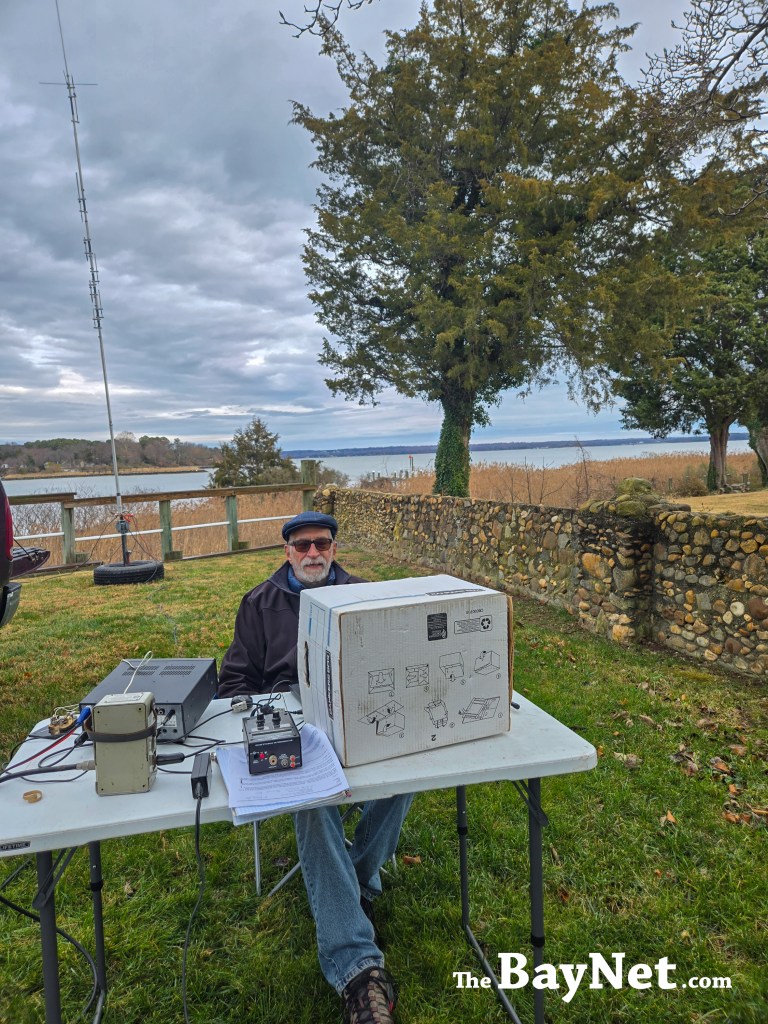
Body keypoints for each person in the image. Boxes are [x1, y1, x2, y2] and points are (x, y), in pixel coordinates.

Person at [218, 510, 412, 1024]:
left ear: (332, 547)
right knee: (313, 804)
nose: (312, 554)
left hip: (364, 720)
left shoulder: (362, 594)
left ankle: (352, 884)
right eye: (301, 545)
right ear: (286, 551)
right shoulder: (259, 604)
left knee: (413, 770)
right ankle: (357, 969)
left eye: (321, 544)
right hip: (293, 732)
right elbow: (234, 681)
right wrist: (265, 713)